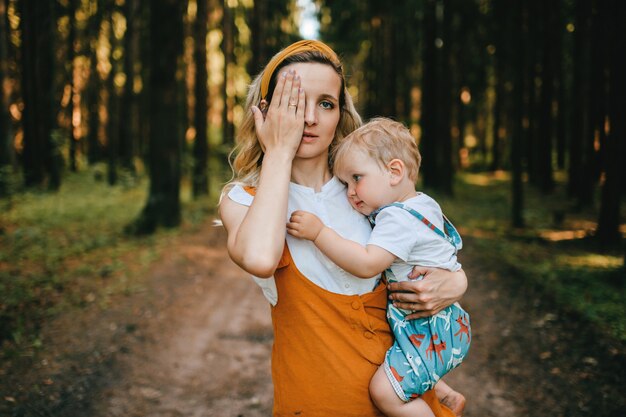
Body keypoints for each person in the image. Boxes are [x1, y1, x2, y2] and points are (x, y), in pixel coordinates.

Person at [219, 39, 467, 417]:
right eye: (295, 102)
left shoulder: (366, 192)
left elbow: (426, 252)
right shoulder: (246, 199)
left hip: (400, 395)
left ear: (340, 114)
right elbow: (259, 258)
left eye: (326, 104)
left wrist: (456, 282)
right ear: (266, 111)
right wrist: (279, 151)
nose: (310, 119)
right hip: (320, 400)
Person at [287, 117, 471, 417]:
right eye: (345, 183)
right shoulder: (422, 204)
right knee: (392, 359)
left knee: (385, 392)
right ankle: (444, 394)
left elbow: (367, 263)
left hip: (428, 328)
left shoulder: (397, 219)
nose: (350, 192)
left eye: (357, 178)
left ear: (394, 171)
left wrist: (319, 233)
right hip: (438, 325)